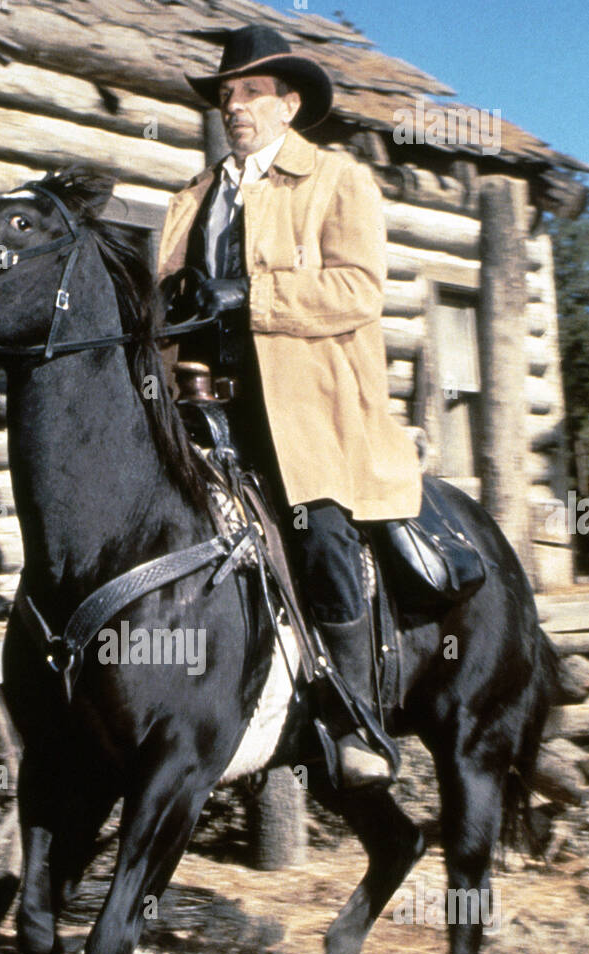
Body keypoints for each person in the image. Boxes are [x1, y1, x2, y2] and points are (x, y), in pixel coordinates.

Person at [158, 25, 422, 787]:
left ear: (289, 103)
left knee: (320, 534)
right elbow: (169, 300)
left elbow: (358, 290)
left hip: (306, 414)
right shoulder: (194, 197)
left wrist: (250, 295)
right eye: (224, 95)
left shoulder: (336, 181)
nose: (232, 108)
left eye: (249, 94)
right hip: (202, 405)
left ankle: (353, 718)